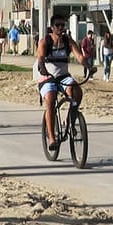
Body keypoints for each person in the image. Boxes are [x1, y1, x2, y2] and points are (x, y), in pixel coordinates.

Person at [34, 18, 84, 153]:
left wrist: (87, 66)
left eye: (63, 25)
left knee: (77, 92)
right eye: (58, 25)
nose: (60, 28)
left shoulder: (68, 41)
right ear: (52, 27)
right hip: (47, 77)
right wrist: (42, 68)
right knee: (50, 100)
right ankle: (51, 137)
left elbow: (79, 56)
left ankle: (69, 121)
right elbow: (40, 58)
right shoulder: (45, 42)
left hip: (63, 76)